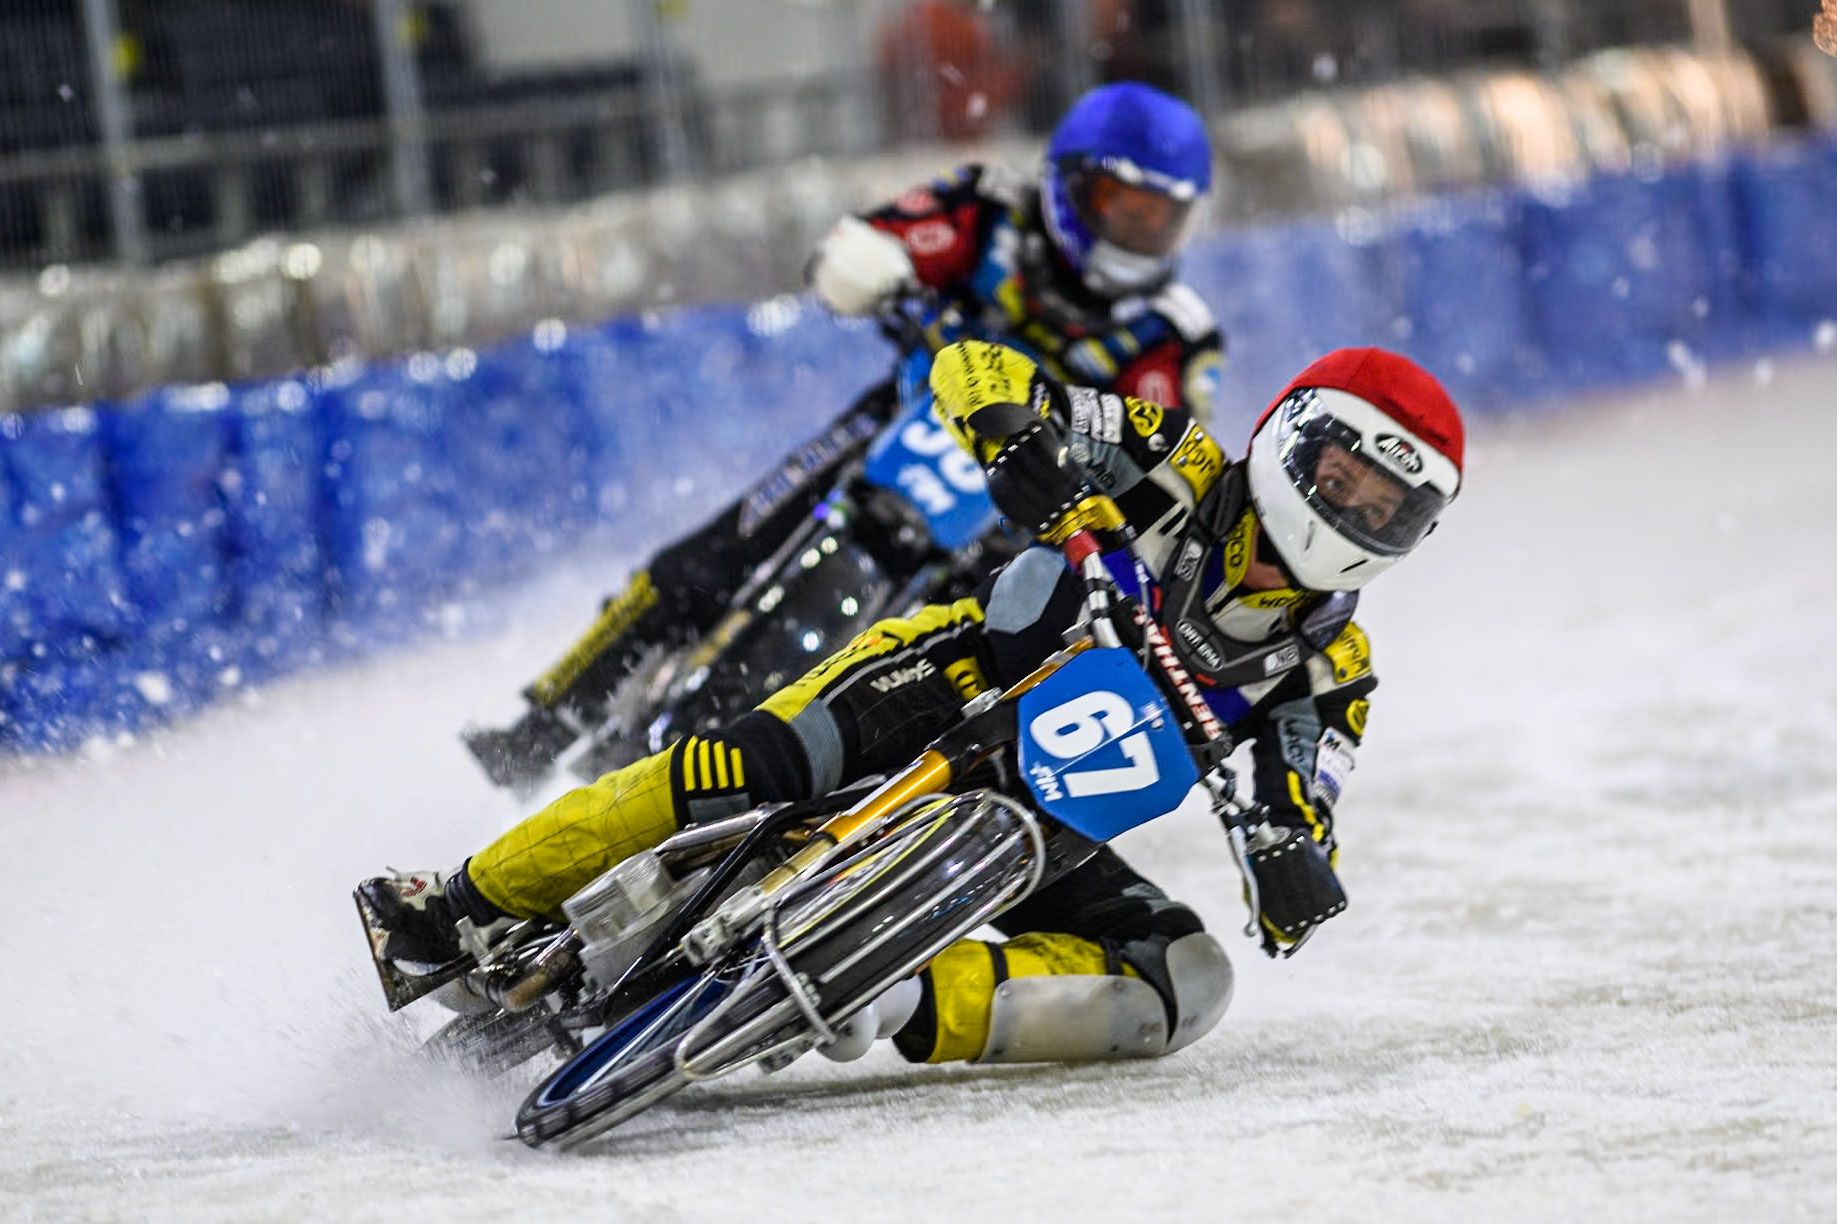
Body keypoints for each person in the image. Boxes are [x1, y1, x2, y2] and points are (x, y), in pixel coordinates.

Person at [363, 334, 1465, 1068]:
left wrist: (1291, 868)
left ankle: (886, 993)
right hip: (940, 685)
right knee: (724, 773)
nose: (1353, 511)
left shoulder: (1334, 672)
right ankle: (458, 903)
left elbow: (1302, 805)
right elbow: (978, 365)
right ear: (1289, 441)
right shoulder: (1172, 460)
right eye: (1342, 476)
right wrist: (1014, 435)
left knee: (1182, 981)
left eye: (1387, 504)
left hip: (1044, 839)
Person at [464, 81, 1227, 793]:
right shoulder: (989, 208)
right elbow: (868, 244)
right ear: (1068, 181)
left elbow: (1162, 457)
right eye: (1122, 203)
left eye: (1161, 215)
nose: (1140, 228)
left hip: (1014, 509)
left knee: (964, 668)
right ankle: (540, 725)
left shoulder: (1178, 338)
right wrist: (873, 267)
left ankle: (862, 800)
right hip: (887, 426)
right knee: (703, 561)